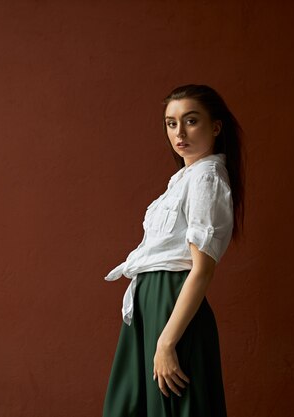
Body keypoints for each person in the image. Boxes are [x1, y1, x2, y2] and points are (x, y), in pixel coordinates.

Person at [102, 84, 245, 417]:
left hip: (172, 305)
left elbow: (202, 269)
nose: (179, 132)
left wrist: (166, 342)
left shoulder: (206, 178)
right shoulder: (184, 178)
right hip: (149, 304)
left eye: (191, 121)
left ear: (215, 126)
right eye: (171, 123)